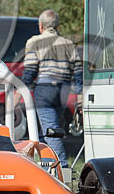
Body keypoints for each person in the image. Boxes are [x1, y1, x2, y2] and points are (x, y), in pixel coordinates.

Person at [20, 9, 82, 165]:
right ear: (57, 26)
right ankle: (46, 163)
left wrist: (20, 89)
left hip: (45, 89)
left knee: (50, 129)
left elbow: (30, 70)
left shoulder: (34, 41)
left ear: (41, 26)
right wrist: (80, 94)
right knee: (49, 128)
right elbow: (78, 70)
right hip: (64, 90)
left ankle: (61, 166)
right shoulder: (68, 44)